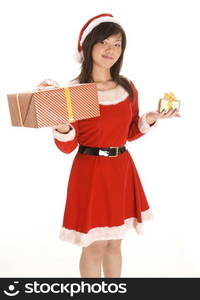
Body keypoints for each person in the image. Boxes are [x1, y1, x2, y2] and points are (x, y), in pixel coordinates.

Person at [42, 13, 179, 278]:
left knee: (115, 243)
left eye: (117, 44)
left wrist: (148, 120)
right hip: (90, 172)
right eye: (105, 42)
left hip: (122, 169)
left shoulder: (126, 87)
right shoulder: (76, 90)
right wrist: (59, 124)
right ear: (89, 45)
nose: (111, 50)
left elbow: (127, 133)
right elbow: (68, 147)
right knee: (95, 245)